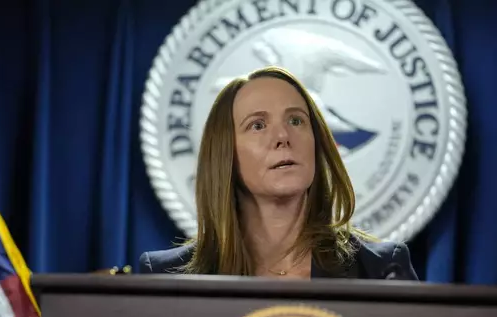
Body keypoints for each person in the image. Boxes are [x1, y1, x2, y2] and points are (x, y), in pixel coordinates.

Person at [139, 65, 418, 281]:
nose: (283, 136)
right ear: (226, 155)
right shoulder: (167, 277)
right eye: (257, 125)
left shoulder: (380, 269)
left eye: (296, 120)